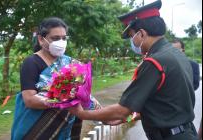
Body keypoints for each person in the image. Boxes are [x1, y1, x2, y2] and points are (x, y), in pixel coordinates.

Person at [69, 1, 199, 140]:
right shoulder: (176, 55)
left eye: (132, 36)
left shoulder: (155, 62)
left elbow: (122, 110)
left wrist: (83, 114)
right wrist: (130, 117)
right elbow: (166, 103)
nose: (132, 42)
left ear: (141, 34)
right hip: (186, 133)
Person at [11, 17, 100, 140]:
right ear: (41, 39)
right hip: (34, 129)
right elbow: (29, 100)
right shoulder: (31, 63)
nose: (61, 42)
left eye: (64, 38)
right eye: (55, 38)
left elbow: (83, 95)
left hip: (63, 128)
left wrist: (105, 115)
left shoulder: (71, 63)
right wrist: (62, 99)